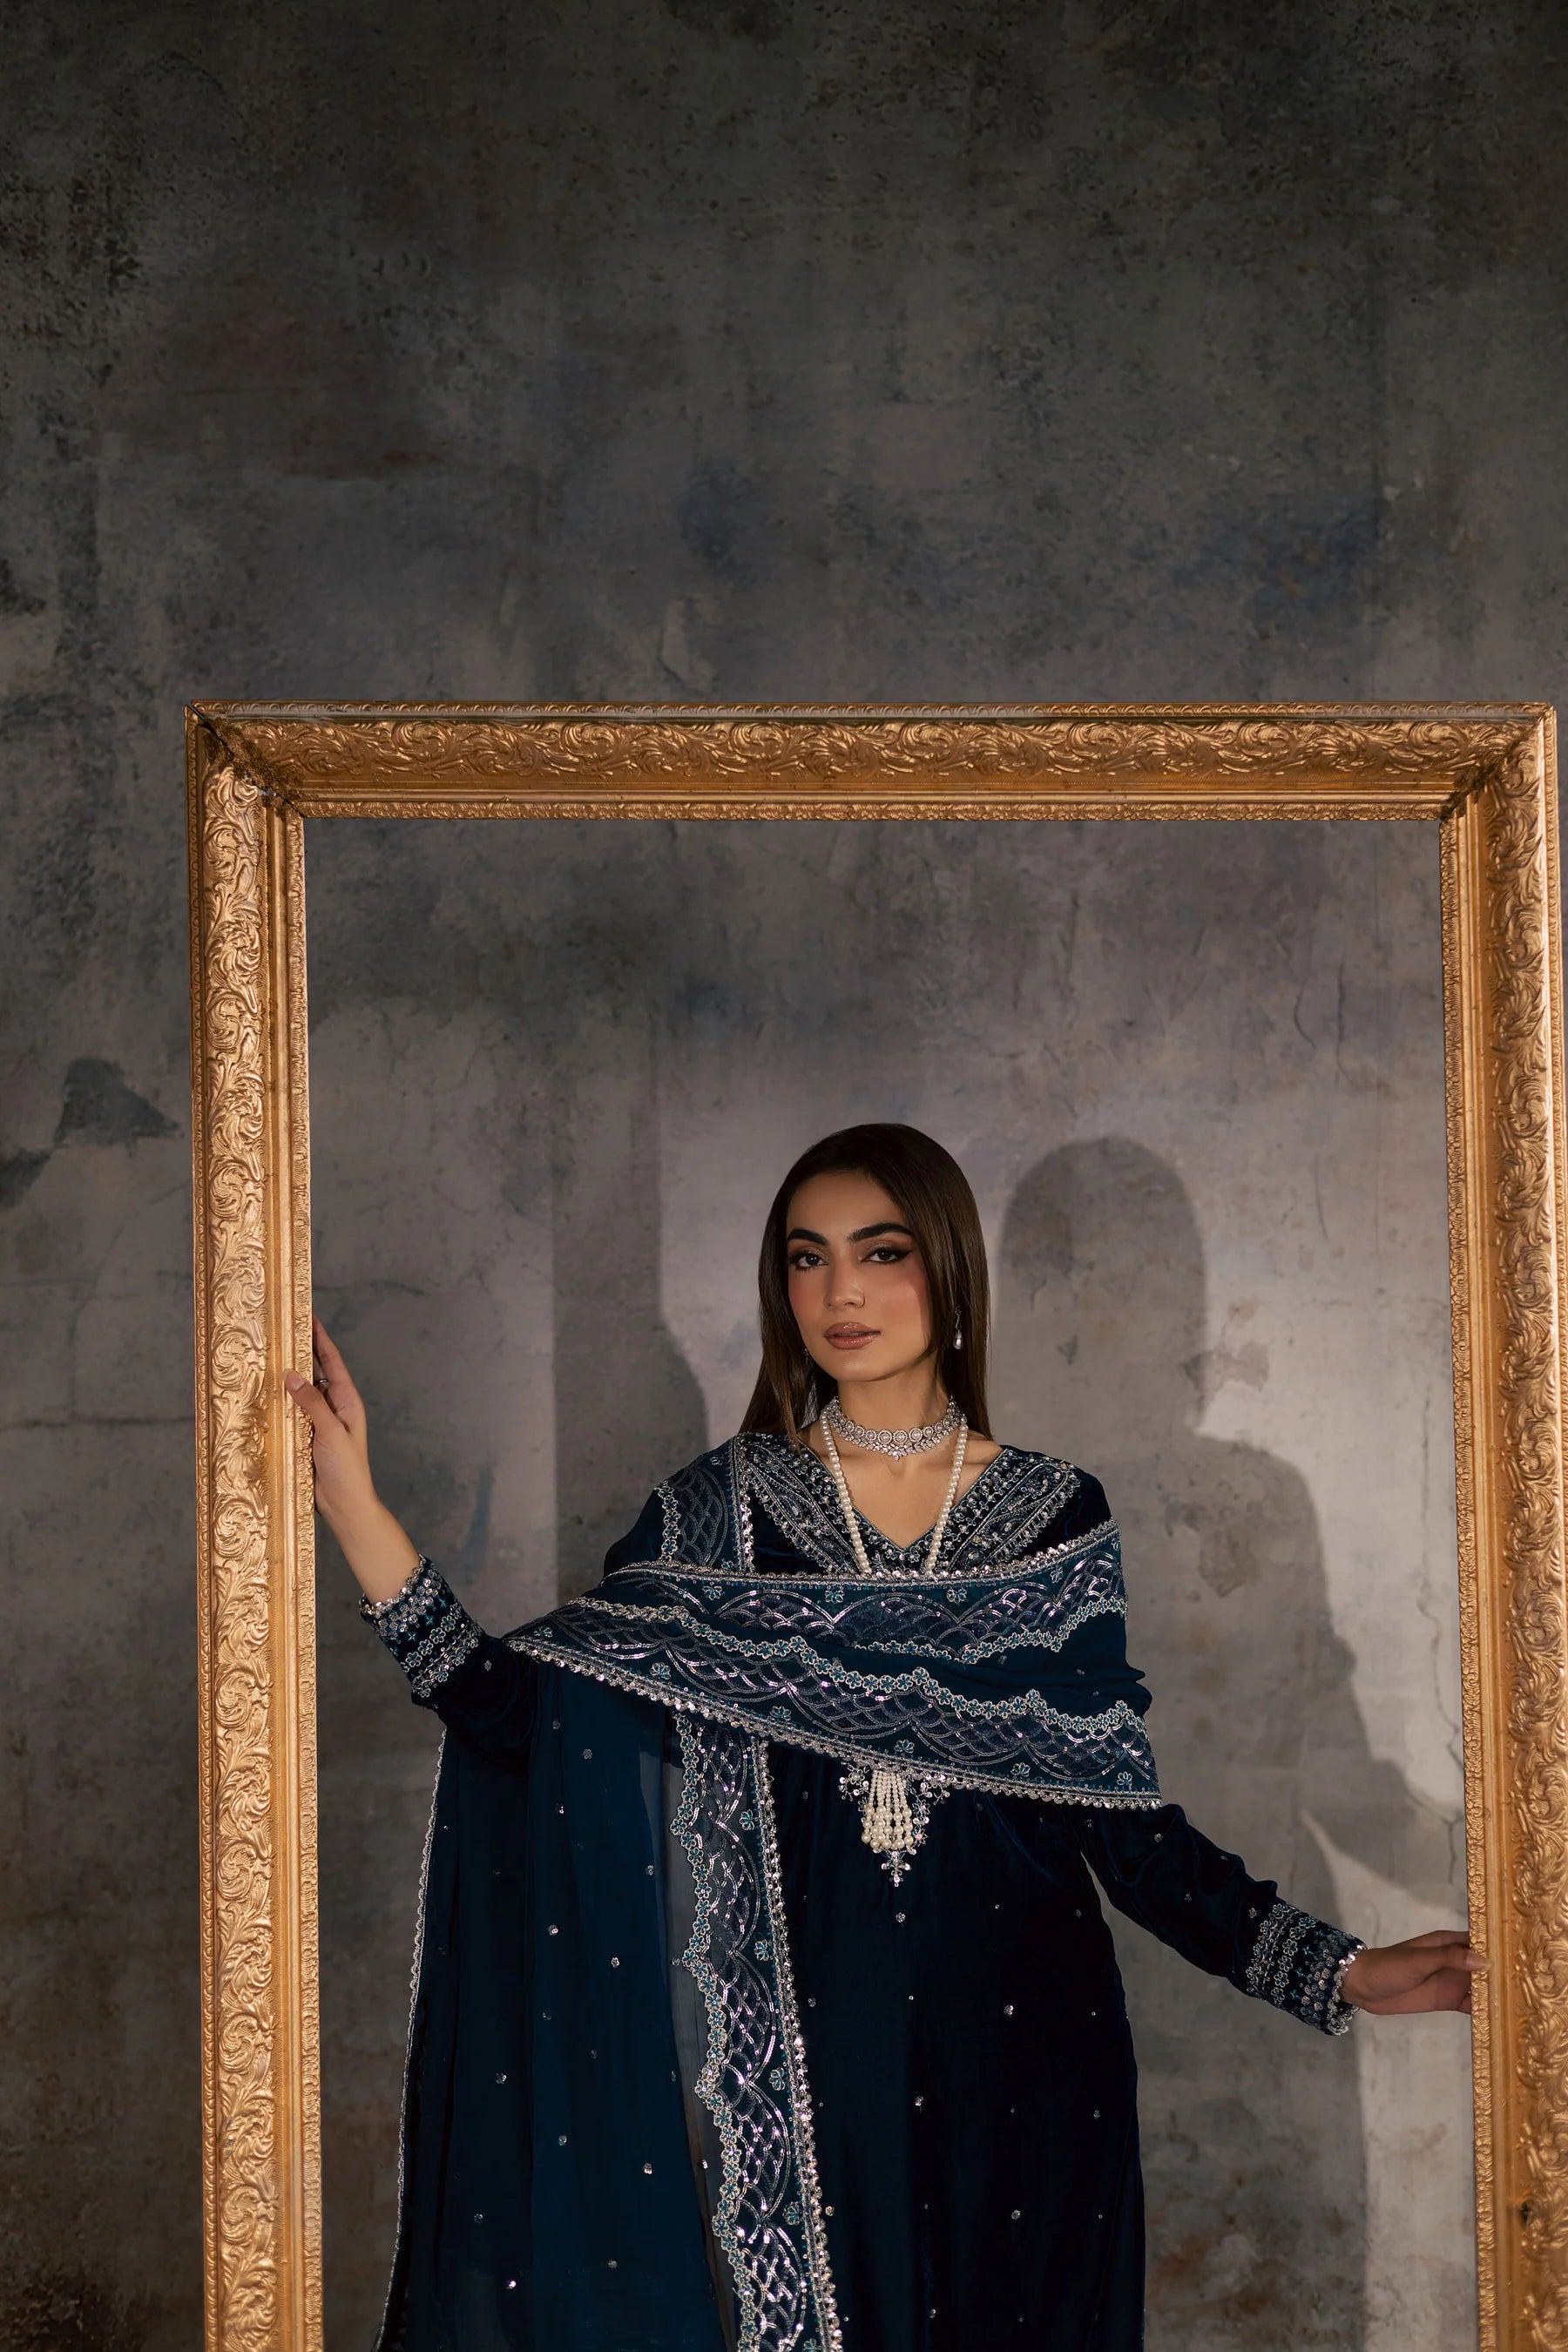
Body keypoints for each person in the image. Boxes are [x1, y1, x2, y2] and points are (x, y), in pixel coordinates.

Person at [288, 1123, 1482, 2352]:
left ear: (949, 1269)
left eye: (880, 1252)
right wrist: (357, 1506)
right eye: (808, 1259)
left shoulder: (1056, 1519)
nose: (840, 1292)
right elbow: (515, 1712)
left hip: (1039, 2061)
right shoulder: (718, 1515)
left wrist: (1336, 1970)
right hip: (818, 2071)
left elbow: (1121, 1828)